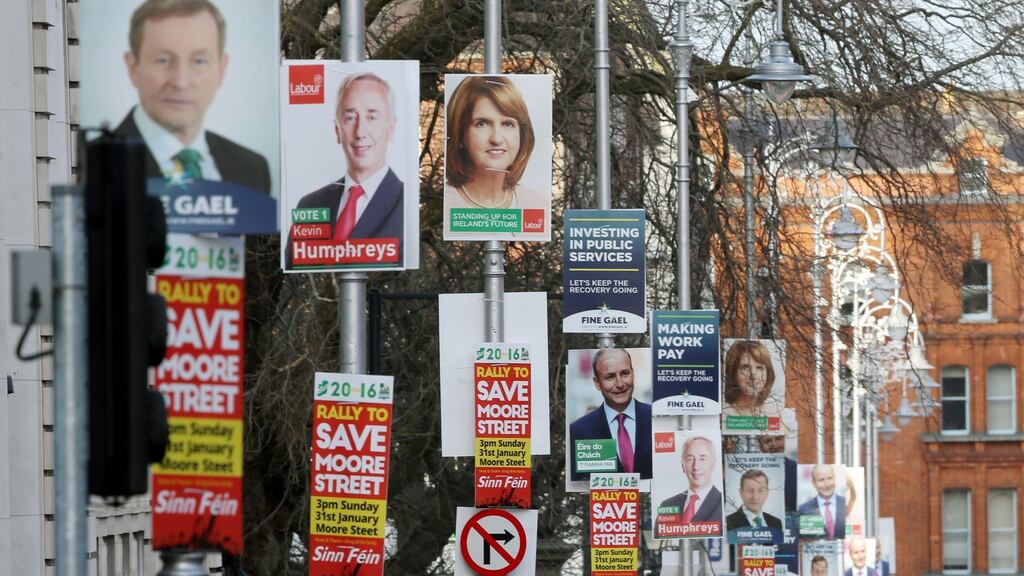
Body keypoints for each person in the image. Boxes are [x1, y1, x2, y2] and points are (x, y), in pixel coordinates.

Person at [115, 0, 270, 192]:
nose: (181, 82)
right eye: (163, 60)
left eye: (199, 61)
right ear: (132, 68)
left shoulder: (252, 169)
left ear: (221, 69)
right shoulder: (100, 164)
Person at [285, 72, 405, 269]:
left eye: (372, 117)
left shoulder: (406, 203)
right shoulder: (310, 205)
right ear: (337, 130)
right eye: (350, 118)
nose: (360, 132)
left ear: (391, 128)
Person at [444, 76, 546, 227]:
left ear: (522, 134)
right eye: (482, 124)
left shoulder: (538, 203)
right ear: (459, 134)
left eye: (507, 124)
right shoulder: (442, 205)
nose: (497, 139)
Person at [568, 349, 652, 481]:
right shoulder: (579, 431)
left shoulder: (655, 419)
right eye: (610, 377)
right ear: (597, 383)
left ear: (633, 374)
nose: (619, 384)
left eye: (625, 374)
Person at [656, 435, 723, 535]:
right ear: (683, 466)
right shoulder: (667, 505)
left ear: (713, 464)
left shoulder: (722, 503)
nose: (696, 467)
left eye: (702, 459)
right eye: (690, 459)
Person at [723, 340, 780, 416]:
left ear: (768, 374)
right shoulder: (723, 412)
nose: (753, 375)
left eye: (759, 368)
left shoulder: (775, 413)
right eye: (745, 368)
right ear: (733, 373)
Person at [798, 464, 847, 539]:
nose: (827, 484)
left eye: (829, 478)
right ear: (813, 483)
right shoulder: (804, 510)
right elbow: (806, 541)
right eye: (821, 480)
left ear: (835, 479)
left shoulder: (847, 504)